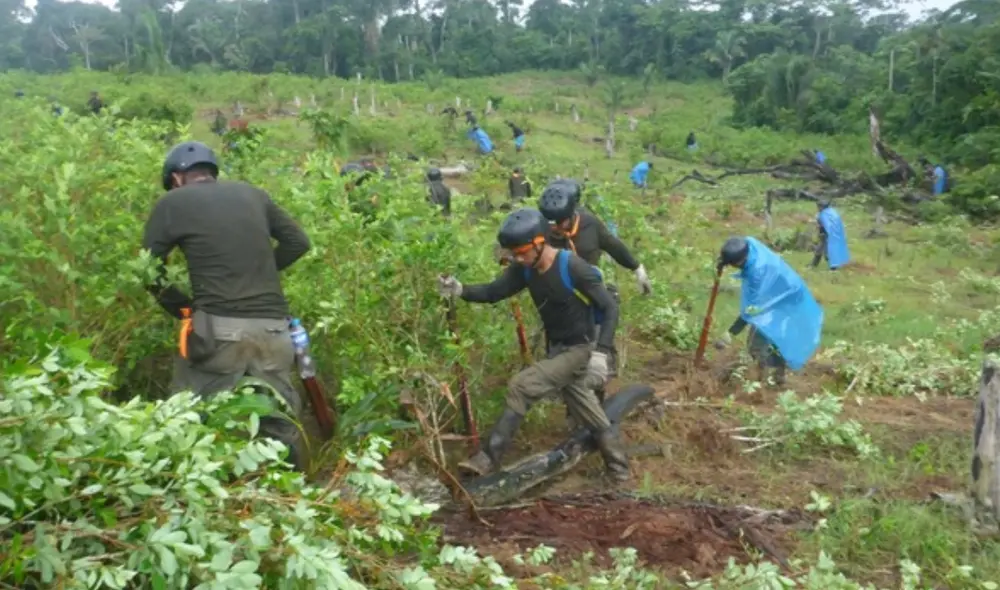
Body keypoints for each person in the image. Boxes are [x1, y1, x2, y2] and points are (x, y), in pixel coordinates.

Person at [141, 141, 312, 469]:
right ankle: (291, 498)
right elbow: (298, 242)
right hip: (274, 330)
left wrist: (184, 310)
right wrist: (257, 273)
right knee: (278, 422)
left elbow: (148, 269)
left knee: (190, 413)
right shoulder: (254, 194)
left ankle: (207, 499)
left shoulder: (173, 201)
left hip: (217, 331)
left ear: (177, 177)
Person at [437, 208, 630, 482]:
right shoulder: (525, 270)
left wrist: (602, 351)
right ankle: (619, 469)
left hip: (580, 348)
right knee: (584, 404)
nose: (517, 258)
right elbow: (494, 292)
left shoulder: (572, 267)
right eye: (513, 253)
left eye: (522, 252)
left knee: (522, 385)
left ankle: (488, 458)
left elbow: (609, 307)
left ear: (540, 243)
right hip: (557, 348)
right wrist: (460, 290)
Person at [540, 178, 652, 378]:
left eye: (560, 222)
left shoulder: (590, 224)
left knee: (598, 344)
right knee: (562, 352)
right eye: (551, 223)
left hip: (590, 293)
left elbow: (612, 245)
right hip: (559, 299)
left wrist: (636, 268)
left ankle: (601, 374)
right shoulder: (540, 229)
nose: (555, 227)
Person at [714, 236, 823, 387]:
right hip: (781, 289)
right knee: (773, 337)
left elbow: (752, 309)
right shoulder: (748, 245)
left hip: (784, 298)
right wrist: (723, 262)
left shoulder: (758, 273)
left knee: (757, 344)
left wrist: (731, 333)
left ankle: (764, 382)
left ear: (740, 261)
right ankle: (777, 378)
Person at [811, 200, 849, 270]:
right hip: (823, 235)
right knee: (819, 250)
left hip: (829, 236)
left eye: (819, 207)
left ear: (822, 207)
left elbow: (828, 224)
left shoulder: (825, 214)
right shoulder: (829, 213)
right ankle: (813, 265)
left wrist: (817, 223)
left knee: (827, 253)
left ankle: (834, 268)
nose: (817, 208)